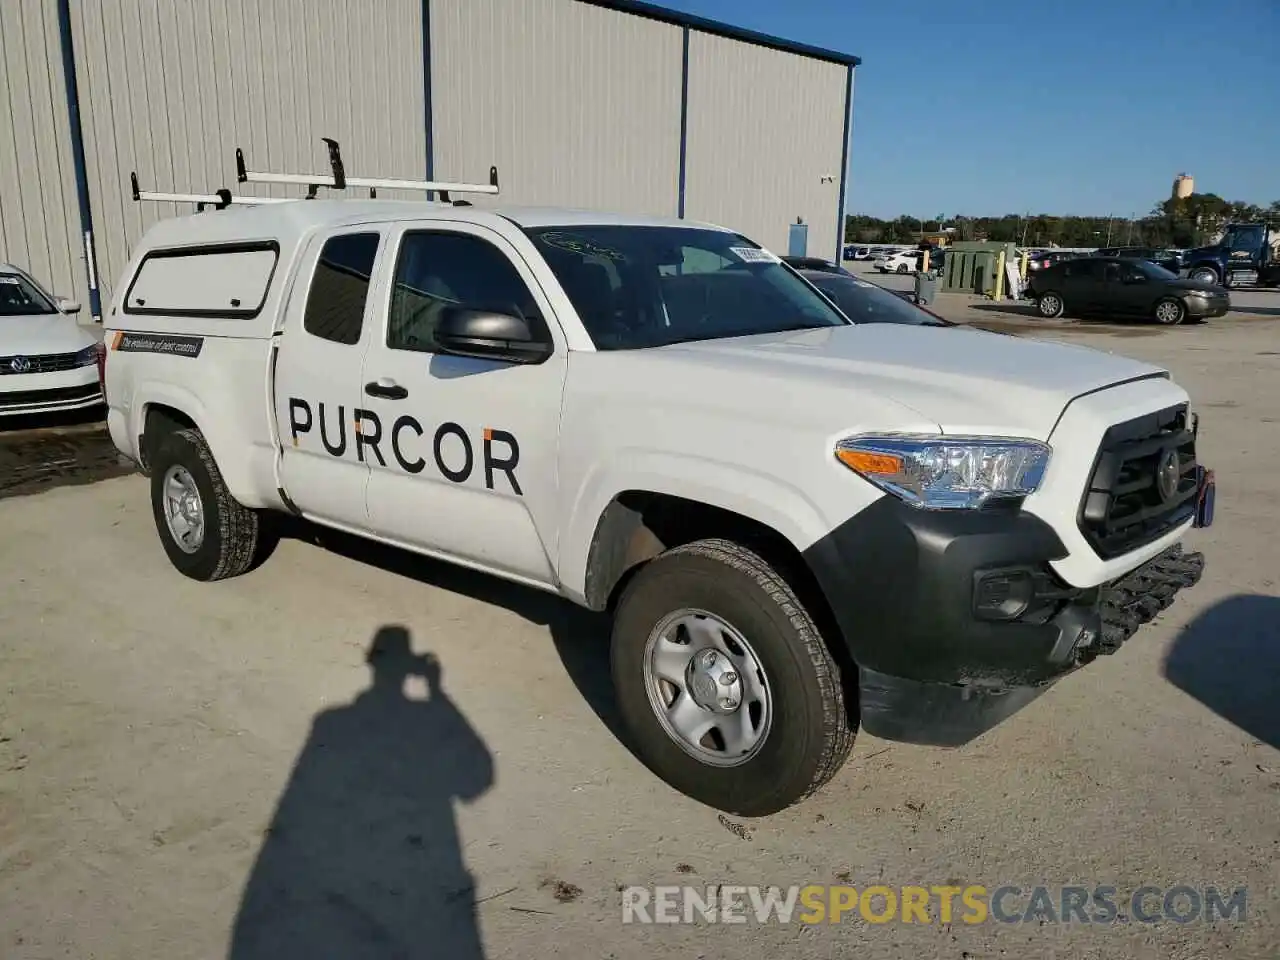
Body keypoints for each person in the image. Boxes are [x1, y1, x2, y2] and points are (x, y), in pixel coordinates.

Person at [230, 626, 494, 959]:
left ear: (372, 664)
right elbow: (478, 779)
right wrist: (436, 691)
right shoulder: (420, 717)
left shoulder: (331, 722)